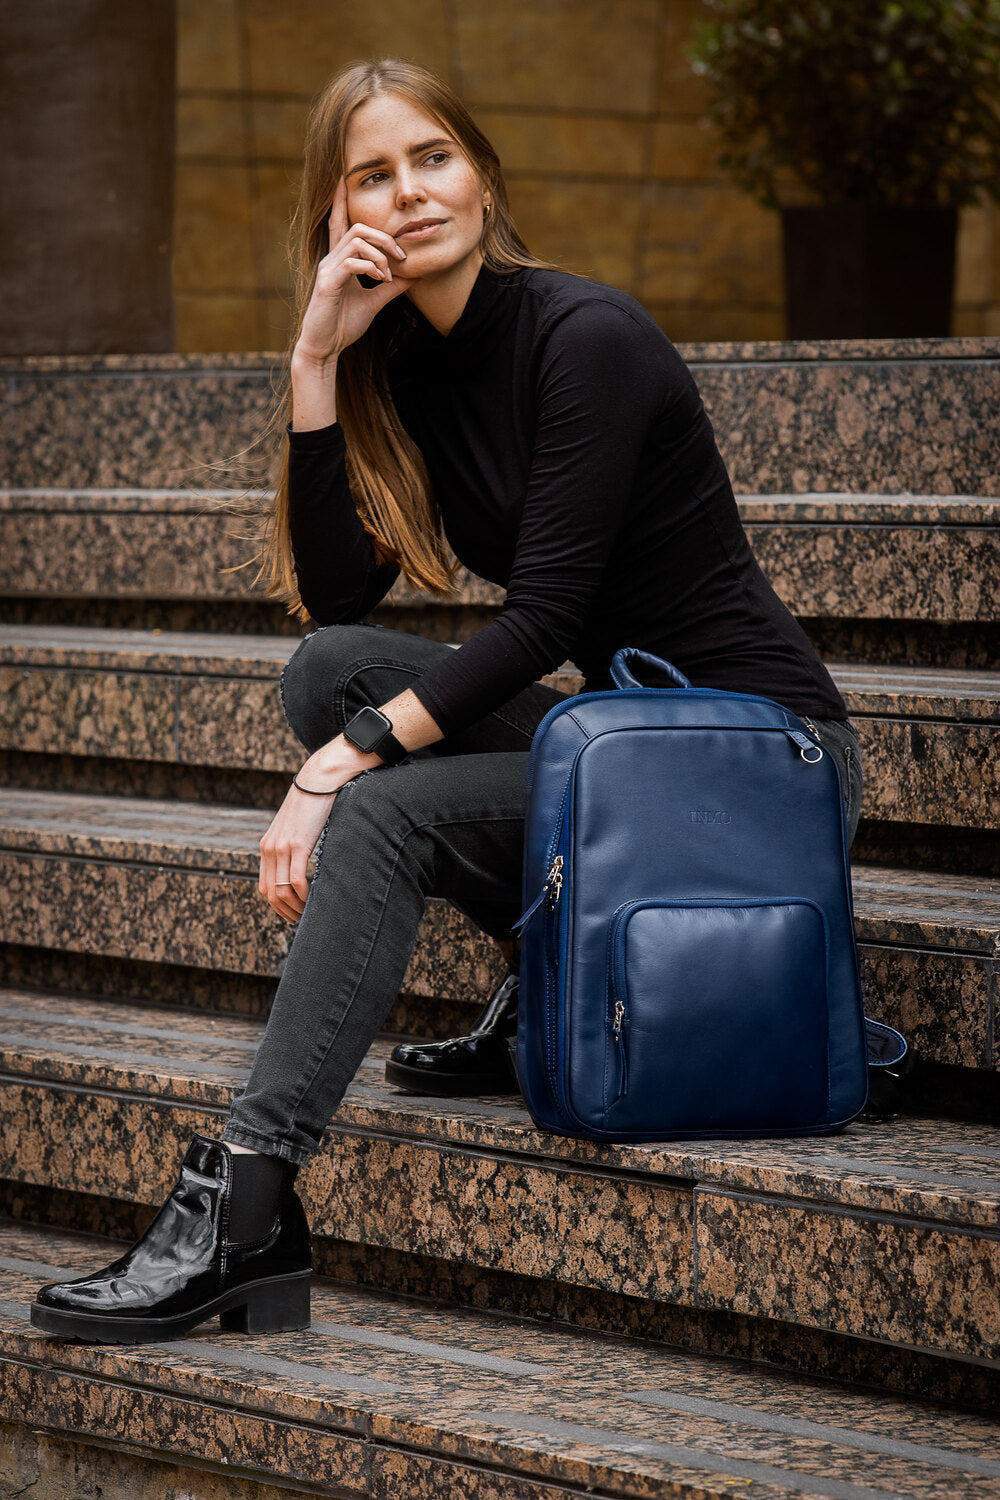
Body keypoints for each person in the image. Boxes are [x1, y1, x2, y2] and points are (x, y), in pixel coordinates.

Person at [30, 57, 864, 1345]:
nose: (412, 193)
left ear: (484, 176)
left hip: (756, 763)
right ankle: (554, 969)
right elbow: (336, 596)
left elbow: (542, 622)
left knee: (381, 808)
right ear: (336, 214)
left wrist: (340, 765)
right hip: (629, 750)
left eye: (434, 158)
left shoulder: (589, 340)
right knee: (331, 670)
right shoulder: (409, 362)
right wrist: (318, 357)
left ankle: (247, 1197)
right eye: (373, 174)